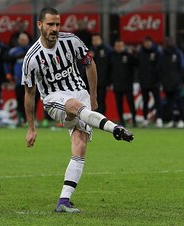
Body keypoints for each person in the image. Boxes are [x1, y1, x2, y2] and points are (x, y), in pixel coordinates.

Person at [21, 7, 134, 213]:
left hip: (80, 94)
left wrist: (92, 96)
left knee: (80, 146)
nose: (55, 28)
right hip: (53, 98)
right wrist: (31, 128)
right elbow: (29, 94)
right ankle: (114, 129)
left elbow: (89, 64)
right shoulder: (32, 58)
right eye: (50, 24)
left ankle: (63, 201)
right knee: (73, 105)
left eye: (57, 24)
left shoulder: (71, 41)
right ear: (39, 25)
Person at [157, 37, 184, 128]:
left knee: (179, 102)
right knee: (169, 103)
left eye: (170, 42)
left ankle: (181, 120)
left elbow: (182, 68)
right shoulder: (162, 54)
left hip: (176, 83)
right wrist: (163, 80)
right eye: (167, 42)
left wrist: (180, 80)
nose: (169, 43)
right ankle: (172, 120)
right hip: (166, 83)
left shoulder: (178, 53)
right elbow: (160, 69)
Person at [137, 36, 163, 128]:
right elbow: (139, 67)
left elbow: (160, 68)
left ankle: (159, 119)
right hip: (144, 82)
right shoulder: (140, 53)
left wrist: (159, 80)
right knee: (145, 101)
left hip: (155, 82)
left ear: (152, 43)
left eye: (149, 42)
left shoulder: (157, 52)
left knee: (157, 101)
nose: (147, 44)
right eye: (145, 42)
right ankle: (145, 119)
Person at [110, 39, 137, 127]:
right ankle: (121, 120)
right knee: (119, 103)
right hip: (117, 83)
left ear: (123, 46)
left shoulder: (128, 55)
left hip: (127, 83)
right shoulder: (112, 56)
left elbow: (136, 65)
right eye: (117, 46)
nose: (118, 48)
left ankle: (134, 120)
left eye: (120, 46)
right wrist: (110, 81)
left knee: (130, 102)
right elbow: (109, 69)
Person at [7, 32, 31, 126]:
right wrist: (9, 74)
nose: (23, 41)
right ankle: (21, 119)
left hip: (32, 80)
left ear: (28, 40)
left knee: (33, 100)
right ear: (18, 41)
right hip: (19, 80)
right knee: (20, 100)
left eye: (24, 39)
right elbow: (8, 63)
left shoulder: (34, 49)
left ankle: (32, 119)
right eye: (21, 40)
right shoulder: (13, 50)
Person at [90, 33, 112, 115]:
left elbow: (110, 66)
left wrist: (109, 80)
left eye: (96, 39)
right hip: (91, 81)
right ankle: (93, 117)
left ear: (100, 40)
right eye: (93, 40)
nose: (94, 41)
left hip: (102, 80)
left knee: (101, 99)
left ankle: (101, 117)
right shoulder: (90, 50)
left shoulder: (107, 50)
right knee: (91, 99)